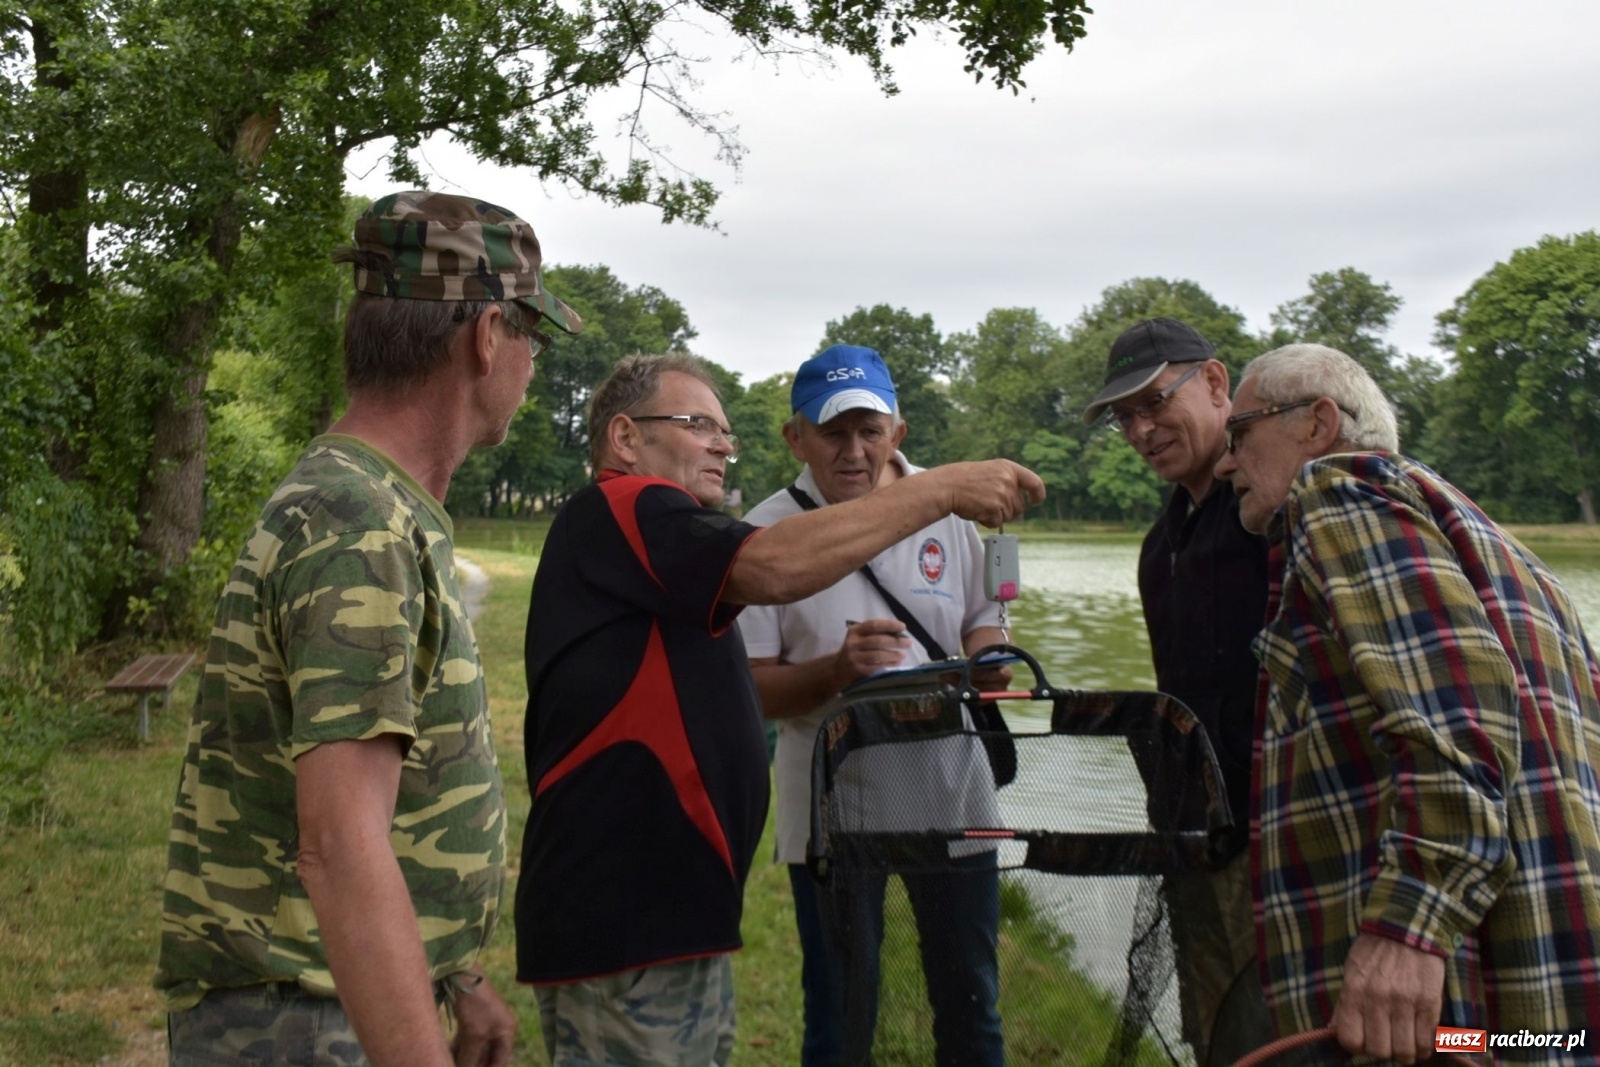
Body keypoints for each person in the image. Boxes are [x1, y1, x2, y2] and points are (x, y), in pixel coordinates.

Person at [516, 353, 1044, 1067]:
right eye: (699, 423)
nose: (723, 444)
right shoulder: (628, 507)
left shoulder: (662, 534)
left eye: (725, 429)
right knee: (840, 1014)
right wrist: (944, 486)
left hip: (670, 910)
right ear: (624, 437)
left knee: (967, 1004)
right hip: (630, 908)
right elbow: (770, 566)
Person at [154, 190, 582, 1067]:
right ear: (487, 335)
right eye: (532, 335)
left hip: (329, 1001)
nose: (531, 364)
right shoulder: (360, 523)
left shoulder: (371, 504)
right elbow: (340, 845)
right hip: (302, 1017)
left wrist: (455, 975)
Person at [1214, 343, 1600, 1065]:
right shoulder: (1510, 555)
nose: (1225, 463)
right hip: (1535, 1021)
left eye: (1239, 434)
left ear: (1317, 423)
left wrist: (1407, 930)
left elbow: (1460, 718)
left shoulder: (1339, 491)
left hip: (1446, 1008)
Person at [741, 344, 1007, 1067]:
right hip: (831, 806)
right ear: (795, 438)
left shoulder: (949, 505)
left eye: (870, 430)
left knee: (971, 1000)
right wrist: (837, 669)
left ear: (899, 432)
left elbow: (987, 617)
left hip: (953, 788)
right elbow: (754, 687)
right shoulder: (766, 532)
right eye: (833, 433)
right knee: (841, 1010)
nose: (854, 452)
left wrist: (988, 661)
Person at [1080, 318, 1274, 1065]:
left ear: (1217, 383)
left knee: (1304, 1037)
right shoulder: (1161, 544)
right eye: (1125, 416)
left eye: (1155, 400)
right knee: (1219, 1038)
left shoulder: (1279, 509)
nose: (1140, 428)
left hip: (1286, 849)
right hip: (1195, 846)